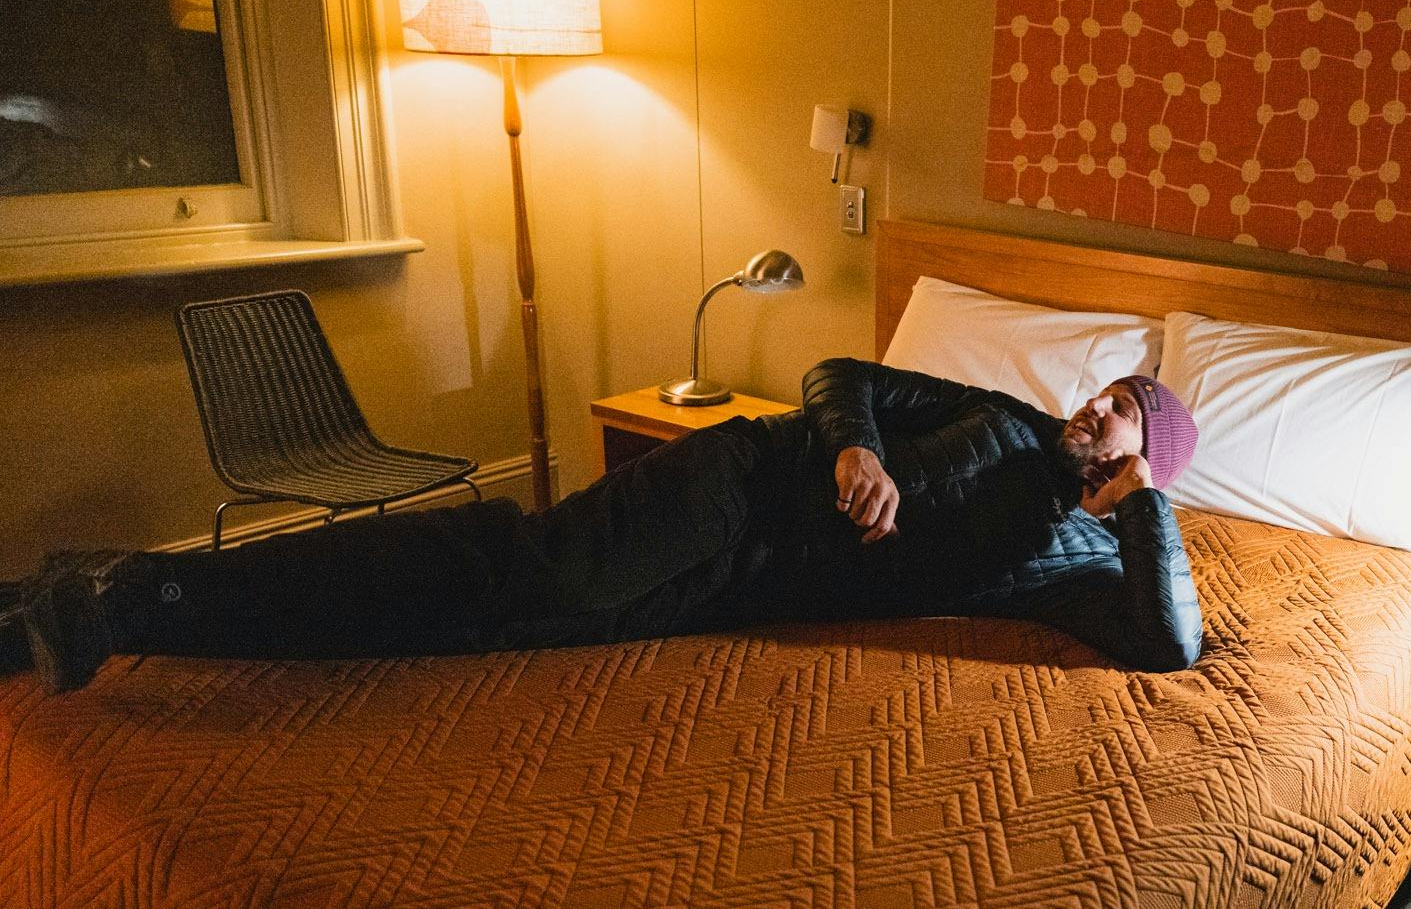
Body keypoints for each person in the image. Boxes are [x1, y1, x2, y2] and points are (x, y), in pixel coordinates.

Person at [3, 359, 1203, 693]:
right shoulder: (1001, 414)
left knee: (491, 624)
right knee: (519, 572)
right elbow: (841, 375)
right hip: (734, 487)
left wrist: (1144, 504)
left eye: (1122, 413)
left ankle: (131, 602)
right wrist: (858, 446)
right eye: (1105, 390)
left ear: (1141, 456)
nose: (1094, 408)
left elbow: (1169, 642)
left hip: (741, 590)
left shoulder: (1077, 559)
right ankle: (138, 596)